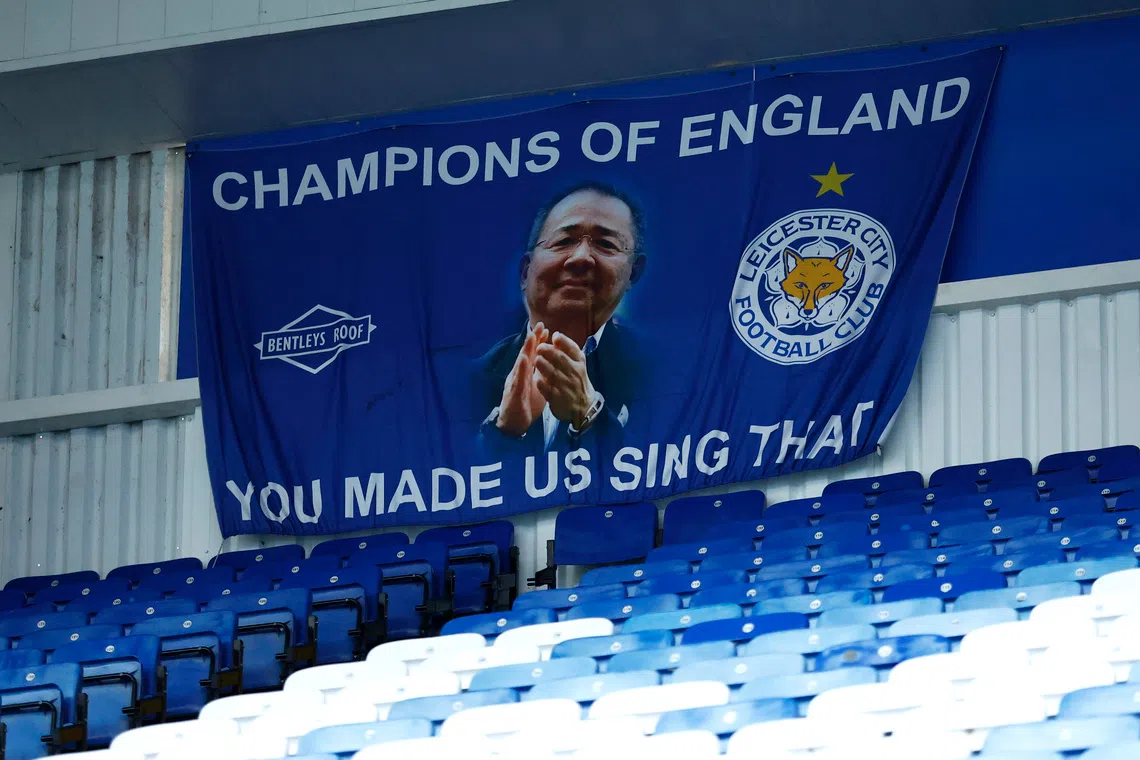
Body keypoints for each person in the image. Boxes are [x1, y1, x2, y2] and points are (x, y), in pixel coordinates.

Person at [475, 182, 649, 455]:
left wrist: (590, 415)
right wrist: (504, 432)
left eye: (605, 244)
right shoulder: (471, 381)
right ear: (525, 272)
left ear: (633, 273)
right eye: (564, 241)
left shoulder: (667, 374)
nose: (581, 258)